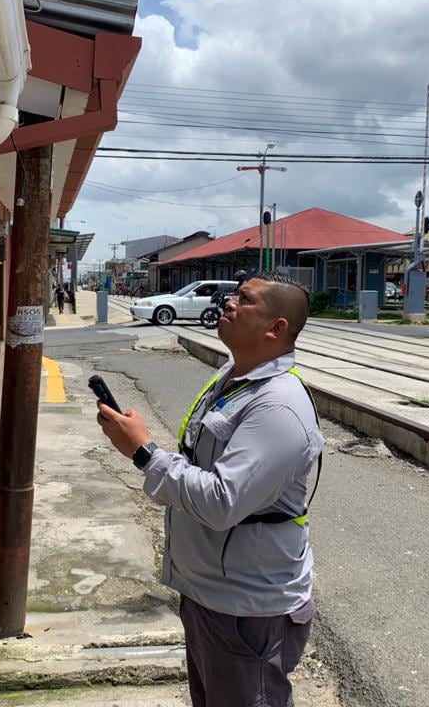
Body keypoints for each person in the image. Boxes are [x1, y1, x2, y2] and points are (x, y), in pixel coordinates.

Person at [95, 272, 324, 707]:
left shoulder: (278, 405)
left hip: (247, 608)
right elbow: (199, 463)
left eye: (245, 299)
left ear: (276, 328)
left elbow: (222, 502)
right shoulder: (233, 379)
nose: (229, 301)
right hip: (210, 594)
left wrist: (143, 453)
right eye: (234, 294)